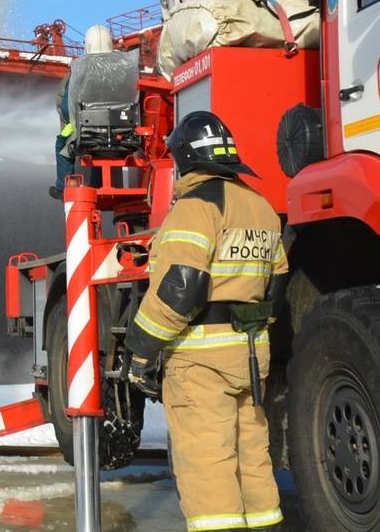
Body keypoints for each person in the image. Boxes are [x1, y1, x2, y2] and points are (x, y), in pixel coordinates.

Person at [123, 111, 289, 531]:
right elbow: (277, 284)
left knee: (207, 462)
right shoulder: (262, 208)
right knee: (252, 455)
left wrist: (140, 349)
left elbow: (182, 289)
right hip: (250, 355)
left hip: (201, 361)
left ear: (184, 159)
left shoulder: (195, 208)